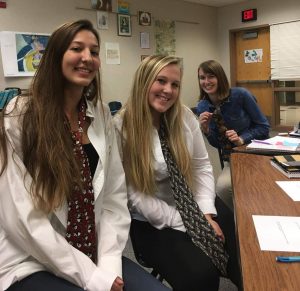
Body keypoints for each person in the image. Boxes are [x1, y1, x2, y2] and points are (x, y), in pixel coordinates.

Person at [0, 20, 169, 291]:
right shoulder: (19, 115)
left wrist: (109, 267)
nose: (87, 58)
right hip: (31, 256)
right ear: (55, 55)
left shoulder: (100, 113)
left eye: (94, 51)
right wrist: (91, 278)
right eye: (76, 48)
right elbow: (21, 216)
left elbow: (114, 198)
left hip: (92, 248)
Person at [114, 55, 242, 291]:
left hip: (195, 204)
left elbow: (201, 166)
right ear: (144, 81)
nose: (168, 90)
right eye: (160, 81)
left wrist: (206, 214)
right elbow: (133, 194)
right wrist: (190, 223)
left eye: (175, 84)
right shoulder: (122, 126)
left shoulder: (183, 117)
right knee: (201, 275)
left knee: (243, 255)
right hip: (153, 221)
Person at [197, 60, 270, 211]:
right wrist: (206, 130)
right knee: (223, 188)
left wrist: (241, 139)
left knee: (266, 185)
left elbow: (263, 127)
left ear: (220, 78)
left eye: (211, 76)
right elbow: (217, 144)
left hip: (256, 152)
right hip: (232, 158)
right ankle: (242, 215)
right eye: (202, 78)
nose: (206, 81)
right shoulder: (202, 106)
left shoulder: (241, 95)